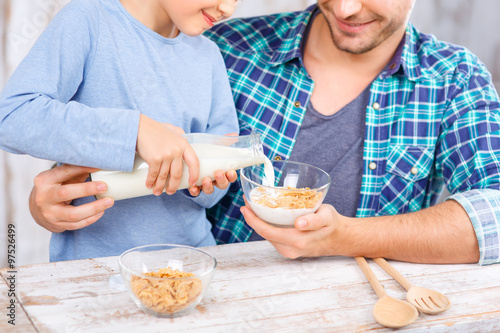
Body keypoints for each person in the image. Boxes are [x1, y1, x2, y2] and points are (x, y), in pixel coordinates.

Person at [26, 0, 500, 265]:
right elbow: (133, 139)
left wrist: (346, 237)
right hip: (211, 294)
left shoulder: (453, 78)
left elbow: (493, 216)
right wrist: (62, 194)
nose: (347, 8)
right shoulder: (222, 47)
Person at [0, 0, 241, 261]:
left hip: (192, 261)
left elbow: (215, 189)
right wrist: (135, 131)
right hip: (93, 271)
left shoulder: (208, 55)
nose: (228, 9)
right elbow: (12, 118)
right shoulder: (88, 20)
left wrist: (204, 178)